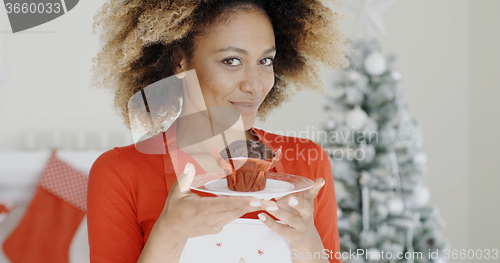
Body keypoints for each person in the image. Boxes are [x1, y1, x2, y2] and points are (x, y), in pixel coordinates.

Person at [88, 0, 350, 262]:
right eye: (232, 60)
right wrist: (169, 235)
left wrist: (307, 244)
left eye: (265, 60)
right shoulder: (120, 173)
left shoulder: (307, 163)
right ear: (179, 61)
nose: (255, 85)